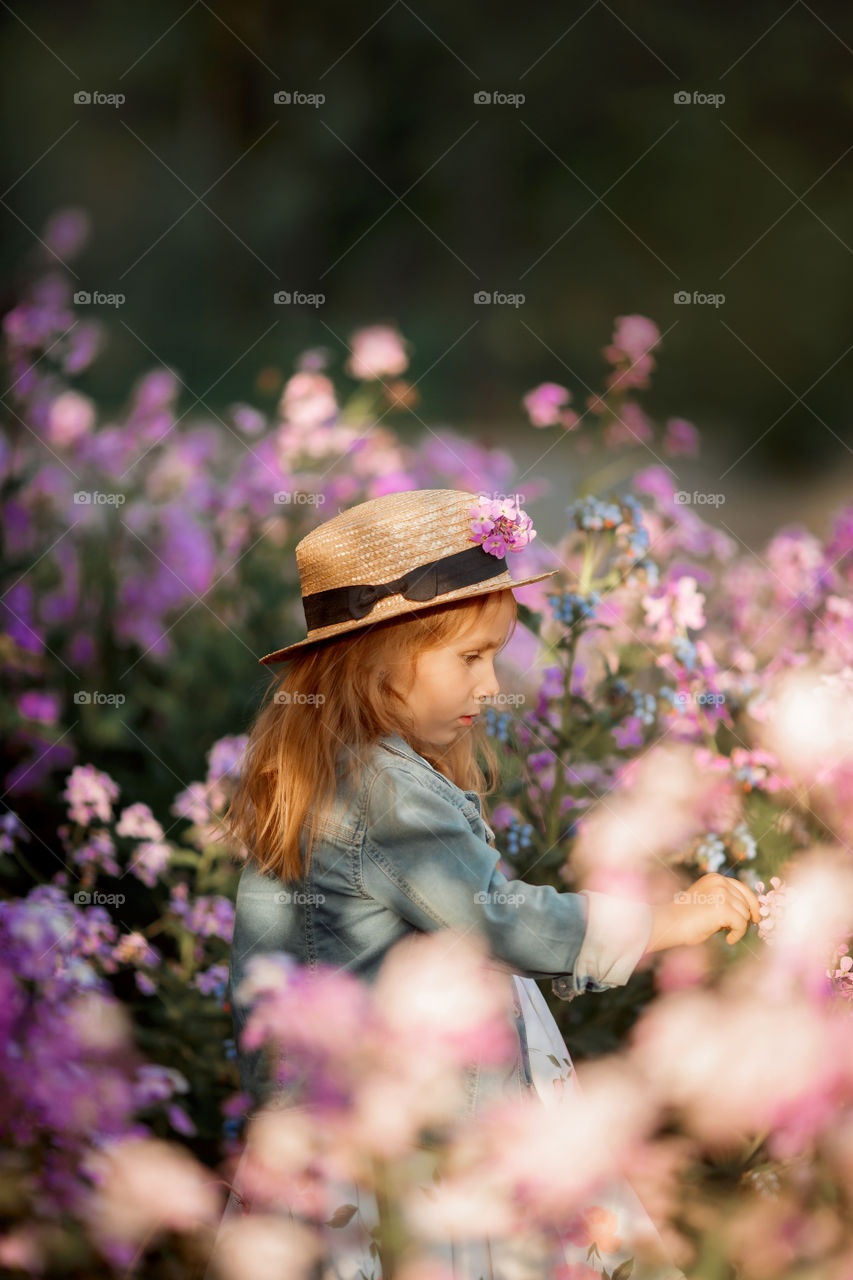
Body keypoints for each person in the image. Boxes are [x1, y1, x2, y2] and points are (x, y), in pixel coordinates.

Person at [205, 488, 761, 1280]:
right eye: (470, 657)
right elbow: (500, 922)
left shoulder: (337, 776)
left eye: (494, 655)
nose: (490, 683)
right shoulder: (381, 790)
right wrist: (667, 920)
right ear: (375, 663)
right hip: (418, 1167)